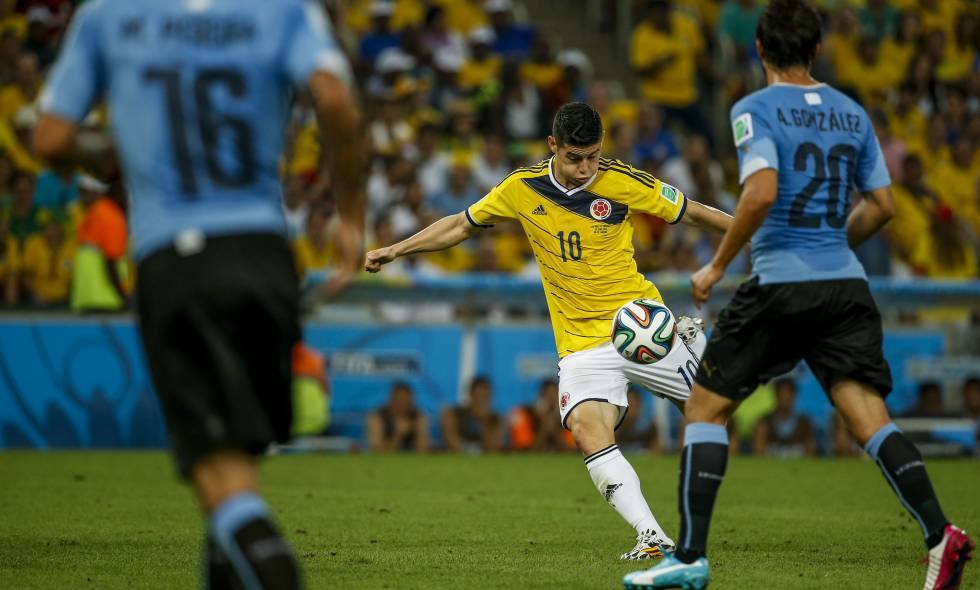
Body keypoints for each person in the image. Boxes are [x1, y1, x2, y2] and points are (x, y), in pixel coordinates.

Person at [625, 2, 974, 588]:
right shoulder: (853, 113)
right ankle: (942, 535)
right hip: (845, 284)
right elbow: (884, 208)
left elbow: (761, 194)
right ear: (816, 50)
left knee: (706, 409)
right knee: (870, 420)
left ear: (758, 50)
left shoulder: (753, 110)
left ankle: (687, 558)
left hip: (783, 282)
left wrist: (715, 266)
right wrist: (835, 240)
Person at [33, 2, 365, 589]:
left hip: (176, 259)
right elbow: (335, 100)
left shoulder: (109, 14)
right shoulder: (282, 9)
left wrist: (109, 158)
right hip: (265, 256)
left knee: (222, 480)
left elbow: (51, 136)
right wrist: (350, 218)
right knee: (235, 469)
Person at [365, 102, 732, 560]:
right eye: (575, 157)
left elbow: (692, 212)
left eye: (593, 157)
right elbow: (461, 225)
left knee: (711, 414)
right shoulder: (522, 188)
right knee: (586, 427)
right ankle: (651, 535)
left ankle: (694, 348)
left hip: (638, 324)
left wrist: (749, 230)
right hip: (580, 342)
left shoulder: (621, 180)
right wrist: (397, 249)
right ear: (553, 146)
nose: (585, 169)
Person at [751, 378, 816, 457]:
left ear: (794, 396)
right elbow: (758, 454)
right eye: (782, 395)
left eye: (788, 395)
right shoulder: (764, 422)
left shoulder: (804, 423)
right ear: (776, 396)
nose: (785, 398)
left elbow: (810, 454)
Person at [441, 376, 504, 453]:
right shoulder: (455, 413)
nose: (482, 400)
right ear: (471, 394)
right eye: (479, 395)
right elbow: (450, 440)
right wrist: (467, 452)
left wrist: (483, 419)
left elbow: (493, 447)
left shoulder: (495, 419)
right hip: (459, 456)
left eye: (485, 396)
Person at [366, 382, 430, 452]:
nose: (402, 403)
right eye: (399, 399)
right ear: (391, 399)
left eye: (406, 399)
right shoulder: (377, 417)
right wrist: (398, 435)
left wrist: (419, 432)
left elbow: (424, 449)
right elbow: (377, 449)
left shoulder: (418, 416)